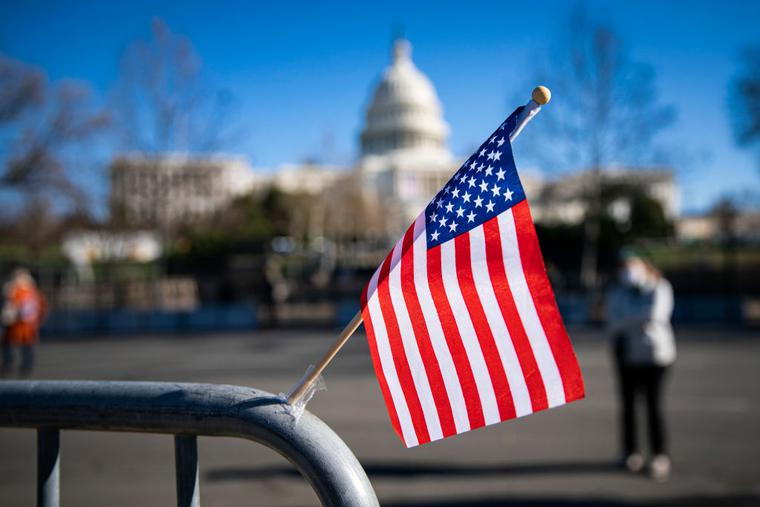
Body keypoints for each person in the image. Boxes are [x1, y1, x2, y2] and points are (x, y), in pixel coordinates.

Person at [606, 253, 675, 482]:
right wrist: (635, 319)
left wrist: (627, 319)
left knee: (653, 406)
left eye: (632, 265)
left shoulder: (660, 287)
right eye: (623, 267)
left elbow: (655, 315)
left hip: (655, 356)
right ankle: (630, 452)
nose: (627, 271)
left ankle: (659, 455)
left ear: (644, 265)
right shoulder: (618, 291)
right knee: (628, 406)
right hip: (626, 355)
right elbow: (613, 321)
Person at [1, 269, 47, 378]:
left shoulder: (18, 292)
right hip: (27, 325)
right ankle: (24, 366)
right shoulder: (34, 292)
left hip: (20, 325)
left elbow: (13, 309)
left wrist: (10, 315)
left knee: (15, 345)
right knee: (24, 346)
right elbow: (41, 309)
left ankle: (11, 365)